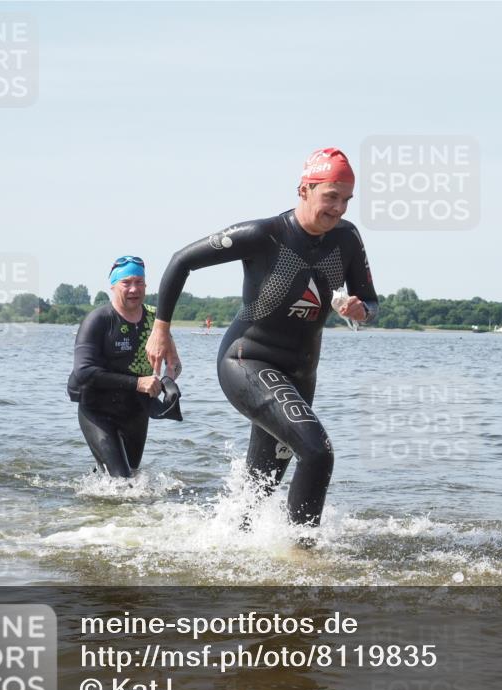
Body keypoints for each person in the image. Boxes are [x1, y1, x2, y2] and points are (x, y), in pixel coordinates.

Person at [145, 147, 378, 528]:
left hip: (300, 374)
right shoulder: (264, 235)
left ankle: (229, 545)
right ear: (304, 189)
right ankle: (303, 557)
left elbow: (371, 301)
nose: (339, 208)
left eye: (347, 199)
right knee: (318, 453)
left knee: (260, 490)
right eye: (330, 197)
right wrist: (161, 328)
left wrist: (360, 310)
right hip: (247, 360)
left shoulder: (347, 240)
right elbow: (180, 260)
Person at [68, 256, 175, 478]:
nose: (134, 289)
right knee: (121, 481)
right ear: (113, 286)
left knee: (131, 476)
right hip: (97, 409)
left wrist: (168, 381)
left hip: (136, 410)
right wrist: (138, 383)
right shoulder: (98, 320)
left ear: (146, 285)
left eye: (139, 282)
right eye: (126, 283)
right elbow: (83, 372)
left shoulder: (156, 320)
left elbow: (172, 363)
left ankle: (92, 497)